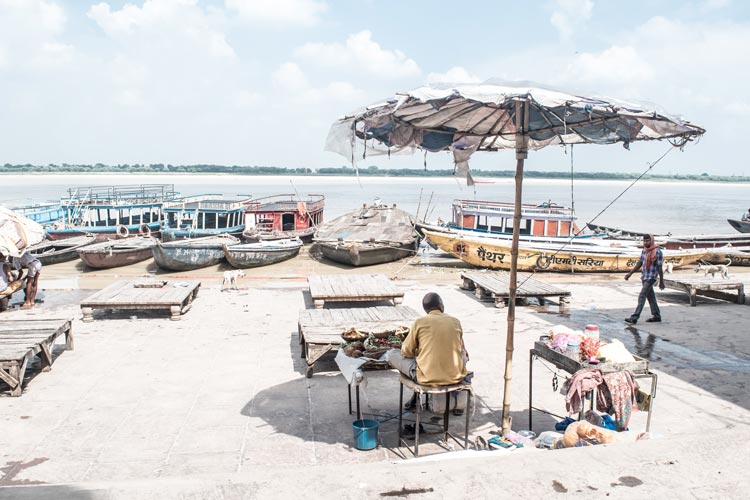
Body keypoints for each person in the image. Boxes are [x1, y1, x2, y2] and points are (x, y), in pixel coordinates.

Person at [387, 292, 469, 415]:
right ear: (441, 306)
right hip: (455, 376)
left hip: (426, 378)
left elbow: (406, 351)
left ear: (426, 309)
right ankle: (455, 402)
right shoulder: (455, 321)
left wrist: (418, 351)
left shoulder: (420, 322)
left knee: (393, 354)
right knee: (461, 355)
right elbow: (462, 348)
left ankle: (416, 397)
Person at [624, 234, 664, 324]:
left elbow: (660, 267)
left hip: (651, 277)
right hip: (645, 276)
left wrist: (661, 281)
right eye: (644, 241)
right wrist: (630, 273)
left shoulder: (657, 251)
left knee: (642, 295)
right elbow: (640, 262)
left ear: (652, 241)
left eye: (648, 241)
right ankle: (657, 315)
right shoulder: (644, 250)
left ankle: (635, 317)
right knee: (651, 297)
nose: (646, 242)